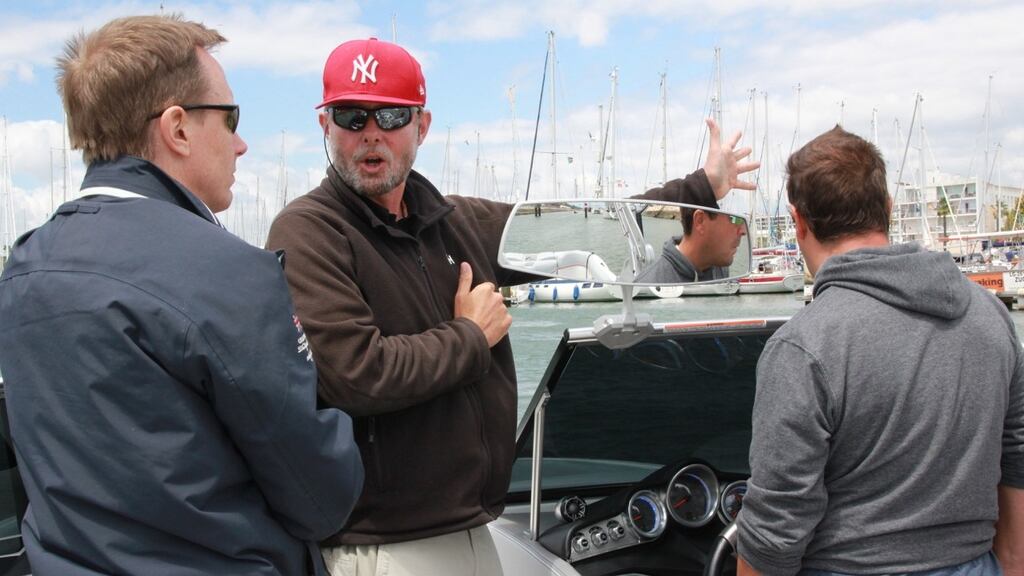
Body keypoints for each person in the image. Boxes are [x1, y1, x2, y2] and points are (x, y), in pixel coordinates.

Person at [265, 37, 757, 576]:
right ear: (326, 126)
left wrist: (701, 187)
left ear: (421, 127)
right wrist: (470, 336)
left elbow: (593, 228)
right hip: (385, 543)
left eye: (391, 115)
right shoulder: (310, 231)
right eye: (351, 116)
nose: (371, 132)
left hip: (472, 526)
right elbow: (354, 374)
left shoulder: (454, 222)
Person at [0, 15, 363, 576]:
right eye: (230, 117)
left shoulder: (24, 266)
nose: (241, 144)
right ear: (178, 129)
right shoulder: (225, 272)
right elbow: (320, 497)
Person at [736, 127, 1024, 576]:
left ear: (798, 222)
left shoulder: (805, 346)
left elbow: (776, 526)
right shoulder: (992, 317)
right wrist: (1011, 563)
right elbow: (1017, 452)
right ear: (887, 209)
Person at [633, 190, 747, 284]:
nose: (744, 231)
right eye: (735, 219)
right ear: (700, 221)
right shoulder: (646, 286)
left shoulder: (719, 269)